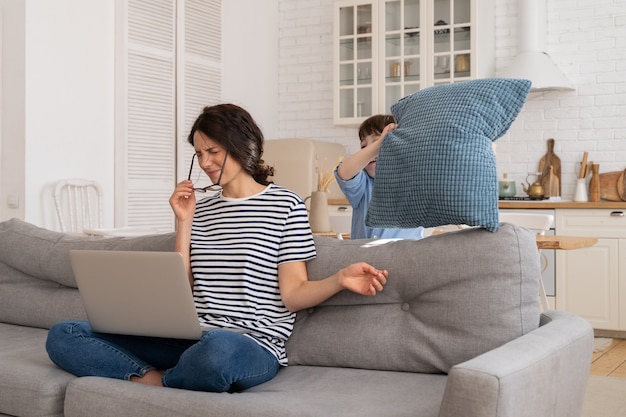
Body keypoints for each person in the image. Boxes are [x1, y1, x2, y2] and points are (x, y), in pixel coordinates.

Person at [45, 103, 388, 393]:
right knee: (65, 334)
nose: (205, 162)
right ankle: (154, 380)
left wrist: (340, 278)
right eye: (198, 153)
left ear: (242, 147)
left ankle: (166, 377)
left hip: (249, 344)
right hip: (190, 337)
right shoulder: (202, 209)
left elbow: (293, 293)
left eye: (213, 151)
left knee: (217, 351)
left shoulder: (286, 205)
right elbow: (182, 288)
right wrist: (184, 221)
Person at [334, 114, 424, 240]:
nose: (370, 151)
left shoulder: (412, 179)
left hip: (404, 255)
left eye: (376, 142)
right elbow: (344, 172)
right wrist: (378, 145)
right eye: (364, 147)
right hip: (365, 256)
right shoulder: (363, 184)